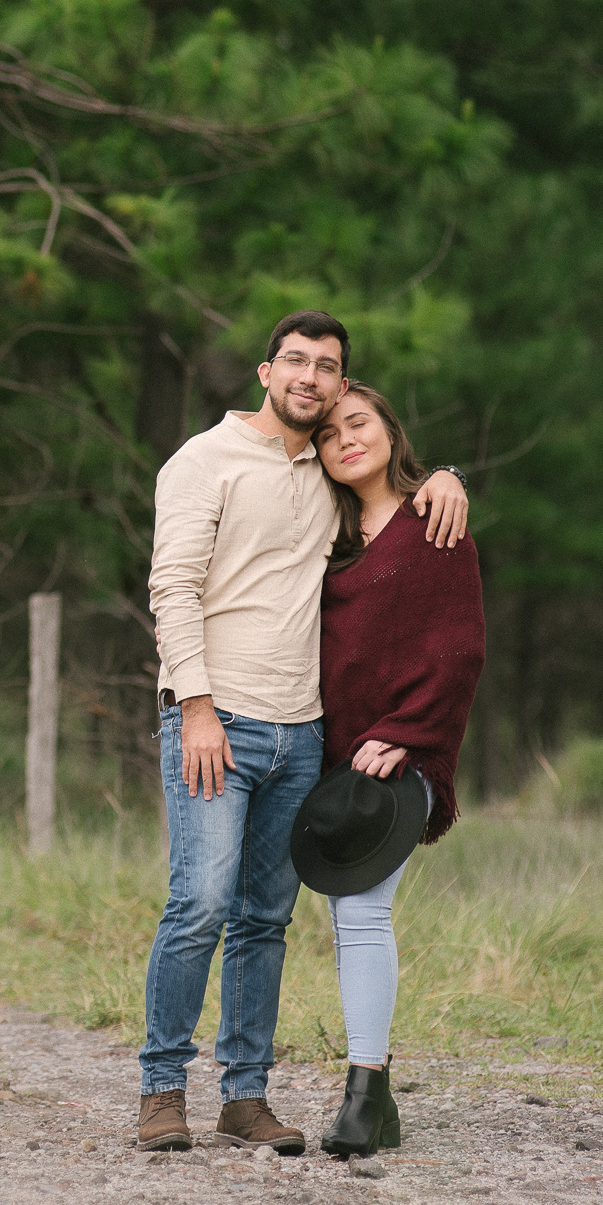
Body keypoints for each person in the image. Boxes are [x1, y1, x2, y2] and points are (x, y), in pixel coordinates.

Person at [138, 312, 468, 1152]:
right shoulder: (202, 461)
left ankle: (245, 1098)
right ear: (264, 371)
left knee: (263, 920)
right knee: (200, 902)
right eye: (297, 361)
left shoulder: (324, 478)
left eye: (328, 367)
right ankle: (161, 1089)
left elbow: (393, 502)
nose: (311, 377)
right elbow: (170, 588)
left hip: (302, 738)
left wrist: (446, 476)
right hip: (216, 722)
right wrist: (196, 706)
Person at [304, 380, 485, 1156]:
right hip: (326, 759)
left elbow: (461, 647)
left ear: (388, 430)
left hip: (401, 753)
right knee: (337, 917)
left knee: (361, 911)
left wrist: (409, 734)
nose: (345, 439)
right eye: (328, 434)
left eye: (358, 423)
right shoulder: (325, 536)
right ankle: (369, 1100)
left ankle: (365, 1094)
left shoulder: (433, 520)